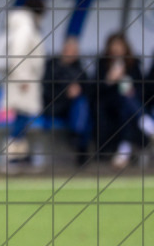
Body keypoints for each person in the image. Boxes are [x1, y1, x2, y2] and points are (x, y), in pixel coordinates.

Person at [96, 32, 153, 169]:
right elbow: (95, 90)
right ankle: (147, 124)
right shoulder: (103, 63)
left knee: (127, 105)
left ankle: (124, 149)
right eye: (114, 45)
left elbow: (143, 88)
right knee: (126, 103)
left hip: (129, 105)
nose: (116, 49)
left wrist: (132, 89)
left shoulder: (133, 63)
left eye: (119, 45)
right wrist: (109, 80)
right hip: (110, 104)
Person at [2, 0, 48, 168]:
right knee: (21, 118)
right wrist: (22, 77)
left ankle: (20, 155)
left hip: (24, 79)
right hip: (23, 80)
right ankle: (12, 156)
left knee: (22, 118)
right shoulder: (25, 25)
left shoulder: (22, 23)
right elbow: (18, 52)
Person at [41, 36, 93, 165]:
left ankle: (78, 136)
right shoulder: (52, 66)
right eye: (69, 50)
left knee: (83, 105)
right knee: (82, 110)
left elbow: (89, 90)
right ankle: (79, 141)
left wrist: (78, 89)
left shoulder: (80, 69)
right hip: (55, 106)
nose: (71, 54)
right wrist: (66, 93)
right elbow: (46, 91)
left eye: (74, 51)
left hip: (74, 108)